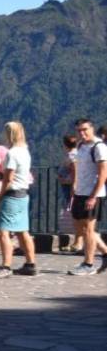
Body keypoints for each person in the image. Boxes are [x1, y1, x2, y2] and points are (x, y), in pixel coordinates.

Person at [0, 122, 37, 278]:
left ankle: (6, 266)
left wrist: (0, 194)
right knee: (22, 230)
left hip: (12, 194)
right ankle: (30, 264)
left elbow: (8, 177)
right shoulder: (25, 151)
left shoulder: (12, 153)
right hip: (23, 194)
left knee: (3, 231)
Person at [68, 118, 107, 276]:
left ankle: (88, 263)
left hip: (92, 194)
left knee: (89, 229)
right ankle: (105, 252)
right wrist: (74, 187)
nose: (82, 133)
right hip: (80, 192)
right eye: (79, 131)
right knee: (81, 227)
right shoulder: (81, 145)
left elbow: (103, 173)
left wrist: (93, 196)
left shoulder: (99, 147)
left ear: (92, 128)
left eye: (85, 130)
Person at [58, 134, 81, 252]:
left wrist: (72, 184)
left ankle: (78, 242)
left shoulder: (72, 156)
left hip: (69, 186)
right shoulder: (76, 153)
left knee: (74, 214)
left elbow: (74, 171)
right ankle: (77, 241)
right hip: (69, 185)